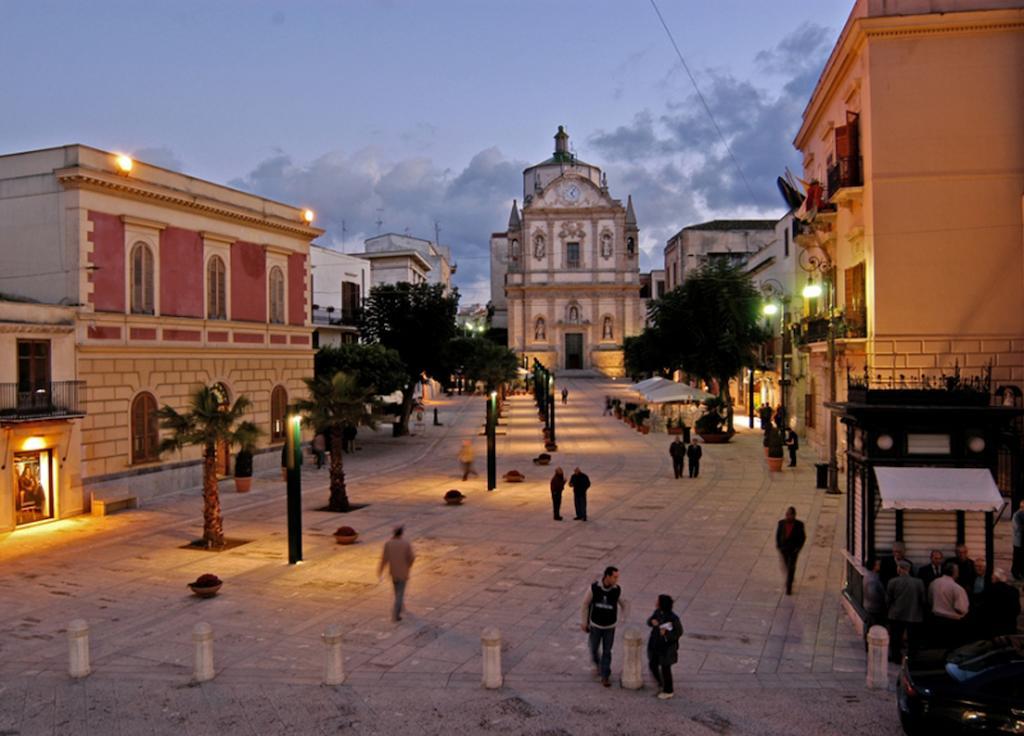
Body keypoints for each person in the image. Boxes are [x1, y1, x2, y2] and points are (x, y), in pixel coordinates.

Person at [581, 566, 629, 687]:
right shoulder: (594, 588)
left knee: (607, 651)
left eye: (617, 577)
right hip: (596, 625)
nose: (616, 580)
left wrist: (622, 618)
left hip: (609, 627)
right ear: (607, 576)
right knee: (593, 648)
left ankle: (605, 675)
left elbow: (625, 604)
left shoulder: (616, 590)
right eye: (614, 577)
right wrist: (584, 622)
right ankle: (598, 665)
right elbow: (585, 604)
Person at [886, 560, 925, 663]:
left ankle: (896, 657)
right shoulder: (919, 583)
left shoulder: (893, 582)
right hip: (914, 615)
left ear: (899, 568)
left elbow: (888, 600)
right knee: (913, 639)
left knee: (896, 638)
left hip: (896, 615)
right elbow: (923, 600)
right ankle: (912, 659)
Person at [646, 594, 683, 700]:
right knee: (653, 665)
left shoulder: (673, 618)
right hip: (655, 645)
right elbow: (649, 621)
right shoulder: (657, 613)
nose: (656, 602)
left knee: (665, 668)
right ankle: (661, 683)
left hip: (667, 648)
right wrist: (651, 622)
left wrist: (666, 634)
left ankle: (668, 690)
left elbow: (679, 632)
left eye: (658, 601)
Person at [378, 526, 416, 622]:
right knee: (400, 594)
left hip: (393, 572)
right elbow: (411, 557)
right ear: (401, 534)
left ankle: (401, 606)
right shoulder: (405, 544)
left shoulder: (388, 544)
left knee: (397, 592)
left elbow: (384, 559)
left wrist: (380, 570)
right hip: (403, 572)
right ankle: (396, 614)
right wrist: (408, 566)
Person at [928, 563, 969, 647]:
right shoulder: (957, 588)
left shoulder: (934, 583)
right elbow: (961, 608)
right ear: (955, 572)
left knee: (938, 647)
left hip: (935, 620)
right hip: (951, 624)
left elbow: (930, 599)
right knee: (951, 647)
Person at [775, 506, 806, 595]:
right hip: (784, 549)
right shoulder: (781, 523)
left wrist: (798, 548)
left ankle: (789, 586)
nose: (787, 516)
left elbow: (803, 537)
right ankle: (790, 577)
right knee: (786, 565)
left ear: (794, 515)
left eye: (789, 515)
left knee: (791, 566)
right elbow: (778, 535)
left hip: (793, 550)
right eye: (786, 514)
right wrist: (779, 546)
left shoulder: (799, 525)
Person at [980, 568, 1021, 636]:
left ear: (996, 578)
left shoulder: (990, 590)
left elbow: (985, 608)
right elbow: (1017, 610)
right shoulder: (1014, 590)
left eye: (992, 577)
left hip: (994, 627)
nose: (991, 578)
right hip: (1010, 626)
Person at [862, 558, 887, 650]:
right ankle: (870, 646)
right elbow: (873, 594)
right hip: (874, 607)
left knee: (869, 626)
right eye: (877, 564)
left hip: (868, 606)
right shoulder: (873, 579)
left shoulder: (868, 576)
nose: (879, 566)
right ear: (874, 566)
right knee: (872, 627)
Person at [1012, 500, 1024, 581]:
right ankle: (1015, 572)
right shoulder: (1017, 515)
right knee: (1017, 557)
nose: (1022, 508)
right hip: (1018, 541)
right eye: (1022, 507)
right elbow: (1017, 528)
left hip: (1022, 541)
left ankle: (1021, 572)